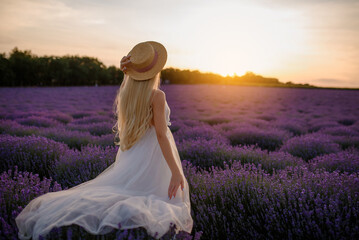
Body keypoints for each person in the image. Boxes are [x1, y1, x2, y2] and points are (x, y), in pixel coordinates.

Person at [15, 41, 193, 239]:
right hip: (153, 156)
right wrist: (176, 172)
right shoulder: (157, 95)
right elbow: (161, 135)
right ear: (155, 70)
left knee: (127, 191)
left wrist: (126, 73)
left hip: (134, 152)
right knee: (156, 198)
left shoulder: (127, 93)